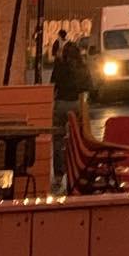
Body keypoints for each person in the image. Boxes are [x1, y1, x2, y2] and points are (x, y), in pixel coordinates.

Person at [50, 38, 91, 191]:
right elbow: (88, 87)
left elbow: (53, 85)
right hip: (77, 103)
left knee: (58, 139)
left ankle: (59, 175)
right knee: (79, 138)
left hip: (61, 103)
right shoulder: (82, 67)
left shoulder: (59, 66)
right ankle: (78, 169)